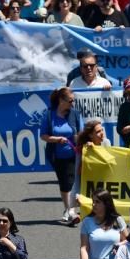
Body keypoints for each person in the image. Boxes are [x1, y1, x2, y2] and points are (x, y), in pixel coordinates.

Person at [40, 87, 83, 223]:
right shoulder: (48, 114)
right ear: (61, 100)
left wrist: (80, 142)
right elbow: (44, 135)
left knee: (71, 180)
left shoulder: (75, 114)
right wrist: (57, 139)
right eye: (70, 101)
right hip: (56, 154)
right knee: (64, 181)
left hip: (74, 153)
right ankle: (68, 208)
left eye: (73, 101)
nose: (72, 104)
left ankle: (71, 212)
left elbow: (81, 132)